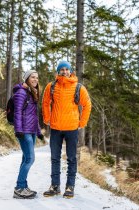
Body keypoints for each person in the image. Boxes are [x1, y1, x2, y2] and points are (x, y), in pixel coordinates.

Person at [42, 61, 91, 198]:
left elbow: (87, 105)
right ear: (58, 72)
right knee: (55, 158)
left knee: (71, 158)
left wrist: (82, 122)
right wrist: (47, 118)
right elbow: (45, 103)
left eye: (66, 69)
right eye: (61, 69)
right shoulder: (51, 87)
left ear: (71, 71)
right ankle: (55, 186)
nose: (64, 72)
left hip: (71, 128)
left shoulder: (79, 87)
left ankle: (70, 187)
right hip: (56, 128)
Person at [13, 70, 44, 199]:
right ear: (26, 79)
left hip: (31, 131)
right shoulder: (21, 93)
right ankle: (19, 188)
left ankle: (23, 186)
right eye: (32, 77)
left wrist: (39, 132)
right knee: (30, 159)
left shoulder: (31, 93)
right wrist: (18, 130)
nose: (35, 79)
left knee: (25, 159)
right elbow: (17, 113)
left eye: (37, 77)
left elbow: (34, 116)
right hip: (24, 131)